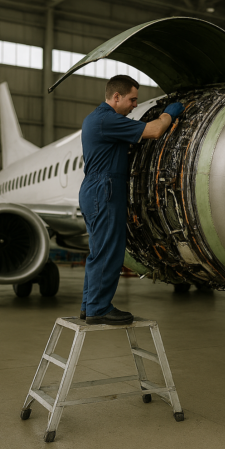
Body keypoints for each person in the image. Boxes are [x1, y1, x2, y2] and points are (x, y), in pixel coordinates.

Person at [79, 74, 184, 325]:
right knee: (110, 252)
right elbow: (156, 130)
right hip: (105, 189)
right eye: (132, 100)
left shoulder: (97, 119)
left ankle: (89, 305)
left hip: (96, 188)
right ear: (116, 97)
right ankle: (99, 309)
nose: (135, 105)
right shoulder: (107, 120)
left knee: (98, 252)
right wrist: (170, 113)